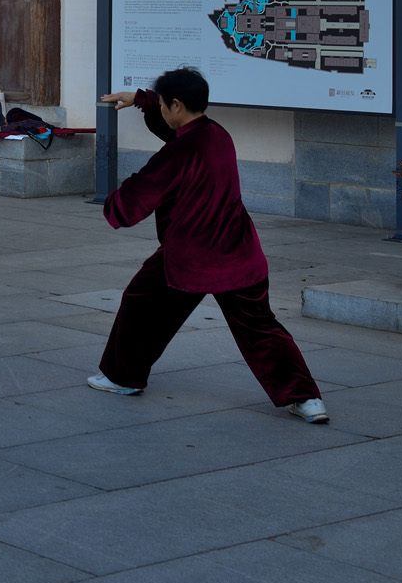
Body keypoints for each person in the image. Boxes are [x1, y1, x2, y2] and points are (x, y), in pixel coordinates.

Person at [94, 68, 327, 423]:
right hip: (240, 254)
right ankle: (307, 399)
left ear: (175, 104)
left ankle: (122, 378)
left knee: (139, 305)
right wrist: (141, 99)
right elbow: (175, 131)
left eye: (161, 103)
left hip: (191, 258)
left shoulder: (180, 152)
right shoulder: (218, 134)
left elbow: (141, 190)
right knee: (262, 329)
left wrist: (114, 205)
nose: (159, 108)